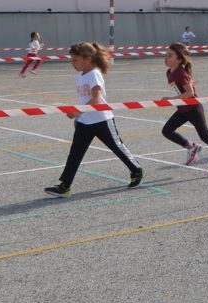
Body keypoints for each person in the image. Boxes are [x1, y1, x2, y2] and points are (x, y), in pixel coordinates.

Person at [44, 42, 143, 197]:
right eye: (72, 59)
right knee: (75, 153)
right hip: (85, 121)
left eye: (75, 59)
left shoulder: (94, 74)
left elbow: (96, 99)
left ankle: (136, 170)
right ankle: (65, 186)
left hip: (101, 120)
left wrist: (76, 112)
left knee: (117, 146)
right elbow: (84, 99)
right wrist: (77, 114)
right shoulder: (80, 76)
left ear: (88, 59)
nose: (72, 62)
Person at [159, 43, 208, 176]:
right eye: (166, 55)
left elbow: (190, 93)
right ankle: (192, 147)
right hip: (182, 109)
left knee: (204, 135)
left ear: (180, 59)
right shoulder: (169, 72)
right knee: (167, 131)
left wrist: (171, 99)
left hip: (193, 108)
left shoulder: (181, 73)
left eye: (170, 56)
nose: (166, 58)